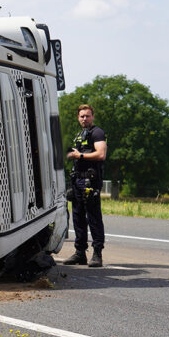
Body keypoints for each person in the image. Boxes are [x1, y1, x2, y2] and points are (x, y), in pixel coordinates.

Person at [63, 104, 108, 268]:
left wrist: (79, 155)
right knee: (78, 217)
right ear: (78, 118)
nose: (84, 119)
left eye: (87, 116)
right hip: (76, 181)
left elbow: (101, 154)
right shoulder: (80, 134)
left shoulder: (97, 132)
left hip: (90, 181)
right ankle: (80, 252)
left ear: (92, 117)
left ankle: (97, 254)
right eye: (82, 116)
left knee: (93, 217)